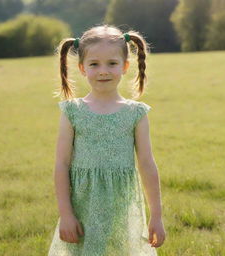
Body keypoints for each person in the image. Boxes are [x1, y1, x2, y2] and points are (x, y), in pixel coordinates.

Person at [48, 24, 166, 256]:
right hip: (82, 203)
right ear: (82, 68)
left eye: (112, 63)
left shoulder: (136, 113)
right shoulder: (72, 111)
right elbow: (61, 164)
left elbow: (147, 164)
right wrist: (66, 214)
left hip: (121, 203)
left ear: (125, 66)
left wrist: (157, 216)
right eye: (94, 64)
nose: (103, 71)